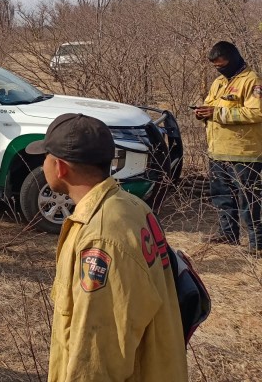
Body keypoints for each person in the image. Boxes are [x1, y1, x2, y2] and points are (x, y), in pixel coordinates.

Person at [25, 113, 187, 381]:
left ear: (60, 167)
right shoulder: (131, 206)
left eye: (45, 157)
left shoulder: (101, 238)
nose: (42, 164)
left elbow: (97, 354)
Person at [196, 41, 262, 254]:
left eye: (222, 65)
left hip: (244, 154)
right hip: (217, 151)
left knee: (249, 200)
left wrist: (217, 113)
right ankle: (228, 234)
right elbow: (210, 104)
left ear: (233, 59)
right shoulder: (218, 82)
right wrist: (202, 113)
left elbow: (256, 112)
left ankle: (257, 243)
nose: (219, 69)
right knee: (222, 197)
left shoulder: (252, 81)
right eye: (215, 67)